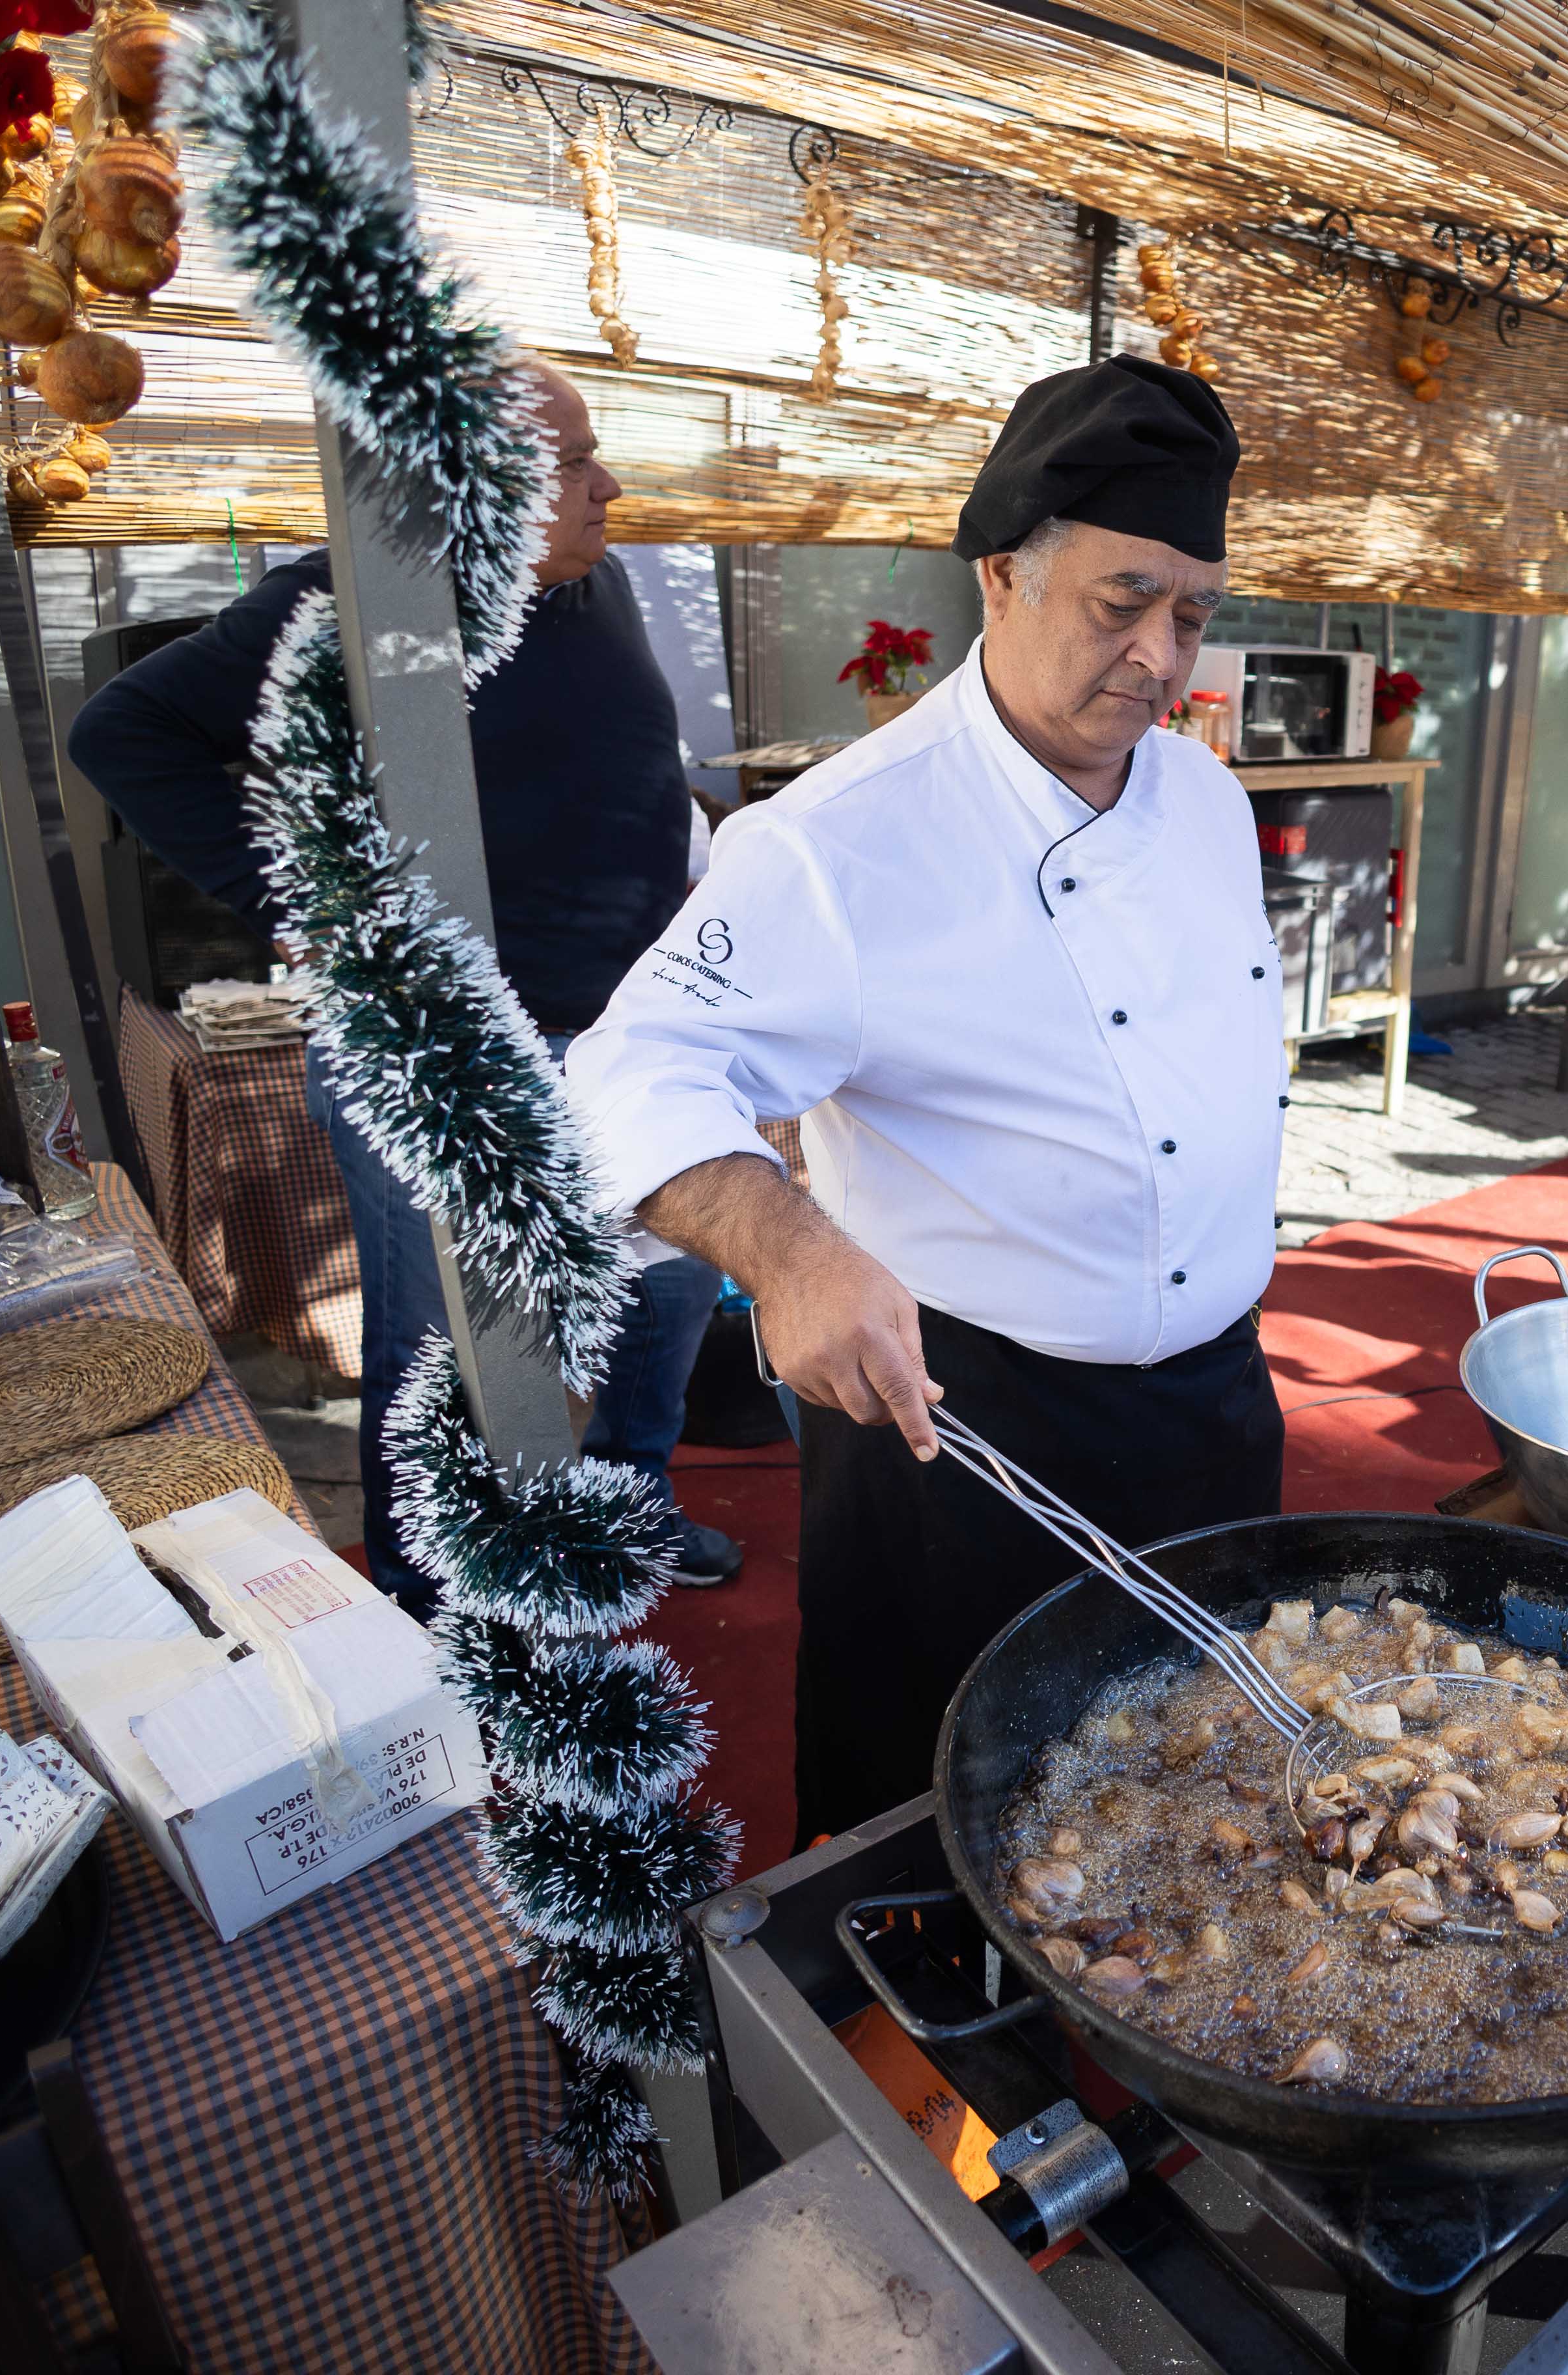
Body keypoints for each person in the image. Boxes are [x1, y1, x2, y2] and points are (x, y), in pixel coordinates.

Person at [563, 355, 1287, 1838]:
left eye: (1192, 616)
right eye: (1119, 602)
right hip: (968, 1436)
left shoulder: (1204, 798)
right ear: (1001, 576)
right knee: (949, 1816)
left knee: (1208, 1805)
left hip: (1216, 1405)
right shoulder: (835, 843)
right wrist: (789, 1251)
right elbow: (625, 1078)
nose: (1160, 656)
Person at [67, 359, 739, 1609]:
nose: (609, 487)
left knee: (674, 1284)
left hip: (631, 1031)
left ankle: (625, 1506)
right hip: (451, 1050)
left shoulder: (597, 582)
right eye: (573, 465)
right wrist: (309, 898)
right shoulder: (348, 605)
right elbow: (122, 735)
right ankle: (438, 1603)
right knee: (446, 1355)